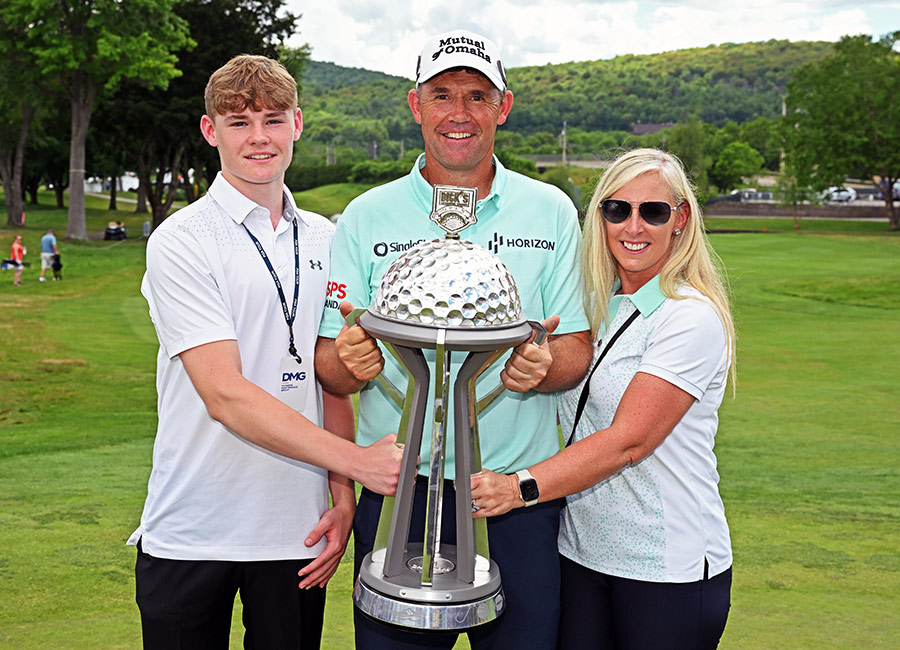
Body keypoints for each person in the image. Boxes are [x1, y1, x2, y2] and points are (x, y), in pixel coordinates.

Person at [315, 29, 592, 650]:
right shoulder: (365, 216)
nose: (459, 113)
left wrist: (543, 368)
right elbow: (330, 367)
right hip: (398, 493)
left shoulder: (550, 212)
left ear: (504, 106)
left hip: (515, 494)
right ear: (417, 106)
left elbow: (575, 347)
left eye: (477, 95)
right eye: (442, 95)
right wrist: (349, 360)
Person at [128, 54, 403, 650]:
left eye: (273, 120)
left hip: (295, 534)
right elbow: (225, 395)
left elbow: (333, 377)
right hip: (193, 528)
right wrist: (356, 463)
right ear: (210, 131)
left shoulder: (331, 239)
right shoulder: (182, 239)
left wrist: (340, 494)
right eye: (239, 122)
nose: (259, 137)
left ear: (298, 124)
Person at [471, 148, 737, 649]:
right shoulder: (595, 305)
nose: (633, 226)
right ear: (600, 217)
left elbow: (628, 442)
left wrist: (517, 488)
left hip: (666, 567)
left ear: (680, 219)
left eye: (652, 211)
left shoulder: (690, 317)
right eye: (618, 209)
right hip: (582, 555)